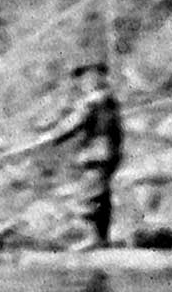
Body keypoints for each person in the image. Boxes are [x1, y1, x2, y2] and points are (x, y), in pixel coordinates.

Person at [36, 60, 124, 251]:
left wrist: (51, 137)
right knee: (102, 196)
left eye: (85, 77)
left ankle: (95, 239)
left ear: (95, 77)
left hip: (97, 155)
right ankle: (102, 238)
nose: (82, 82)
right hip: (109, 155)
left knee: (88, 196)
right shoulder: (109, 99)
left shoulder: (93, 101)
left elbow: (72, 124)